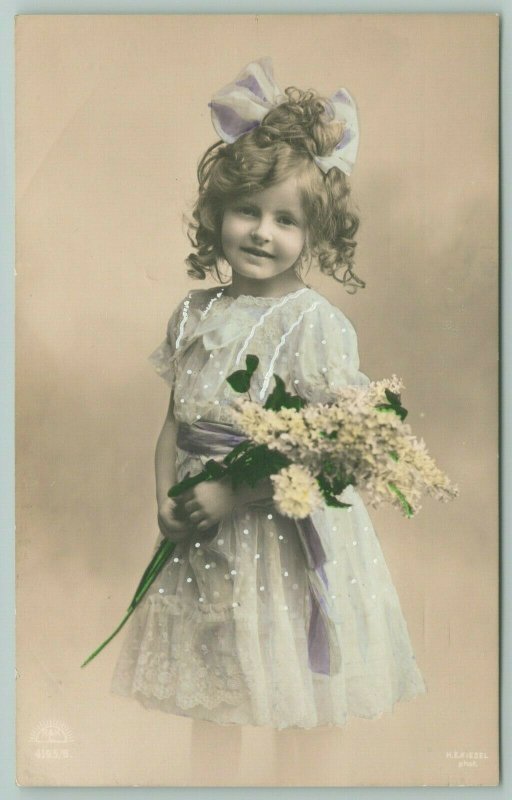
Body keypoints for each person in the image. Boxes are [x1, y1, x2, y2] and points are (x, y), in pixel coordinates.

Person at [110, 58, 426, 730]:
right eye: (247, 211)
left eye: (286, 221)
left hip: (277, 538)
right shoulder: (194, 313)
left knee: (290, 697)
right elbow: (176, 426)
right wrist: (168, 500)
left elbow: (336, 453)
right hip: (204, 538)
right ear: (217, 214)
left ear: (314, 234)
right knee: (216, 700)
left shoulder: (316, 324)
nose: (262, 232)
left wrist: (232, 493)